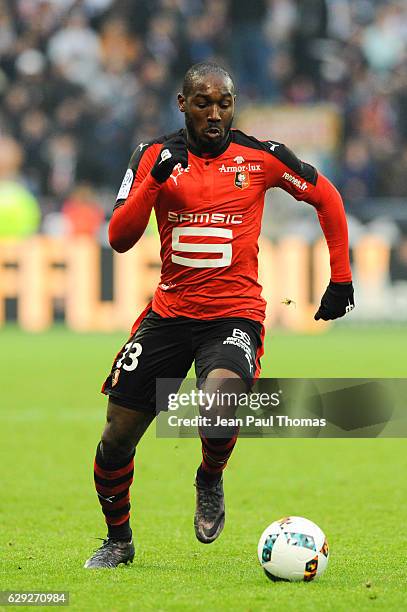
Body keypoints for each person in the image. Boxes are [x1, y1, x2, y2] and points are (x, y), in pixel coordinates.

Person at [84, 62, 354, 569]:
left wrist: (340, 276)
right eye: (203, 103)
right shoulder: (152, 156)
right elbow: (119, 239)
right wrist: (152, 185)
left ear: (234, 105)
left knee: (218, 399)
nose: (214, 113)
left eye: (224, 103)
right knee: (116, 436)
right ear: (181, 104)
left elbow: (327, 197)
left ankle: (210, 476)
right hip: (168, 314)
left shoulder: (262, 157)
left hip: (234, 314)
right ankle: (118, 540)